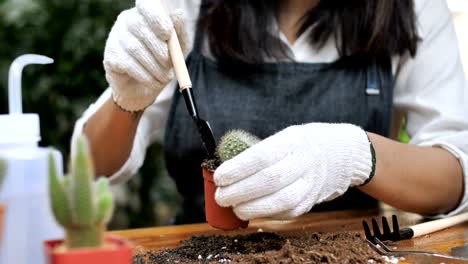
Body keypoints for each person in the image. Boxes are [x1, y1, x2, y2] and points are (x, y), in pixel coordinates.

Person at [74, 0, 468, 224]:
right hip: (201, 249)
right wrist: (127, 99)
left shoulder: (413, 8)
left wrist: (355, 154)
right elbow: (91, 166)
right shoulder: (187, 6)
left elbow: (454, 176)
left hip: (349, 251)